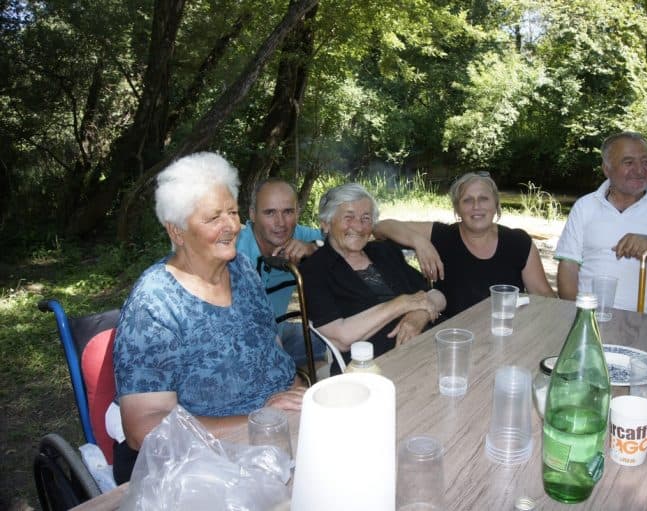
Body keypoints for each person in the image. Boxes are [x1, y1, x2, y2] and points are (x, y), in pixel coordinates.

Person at [112, 153, 305, 484]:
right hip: (211, 463)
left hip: (282, 435)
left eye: (232, 212)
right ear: (177, 231)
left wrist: (299, 394)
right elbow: (144, 428)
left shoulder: (242, 269)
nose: (231, 226)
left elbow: (272, 352)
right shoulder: (155, 304)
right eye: (214, 217)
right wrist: (258, 420)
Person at [300, 183, 446, 374]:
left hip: (430, 346)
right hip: (375, 366)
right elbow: (341, 337)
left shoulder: (384, 251)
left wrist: (420, 315)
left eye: (366, 218)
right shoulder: (315, 269)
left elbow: (437, 295)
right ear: (326, 223)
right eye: (349, 217)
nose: (359, 227)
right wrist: (401, 304)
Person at [373, 172, 556, 318]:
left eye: (484, 198)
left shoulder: (518, 242)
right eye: (467, 200)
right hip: (453, 336)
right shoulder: (442, 235)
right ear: (457, 209)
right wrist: (418, 241)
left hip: (506, 332)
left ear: (496, 205)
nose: (476, 206)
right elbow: (381, 227)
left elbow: (544, 297)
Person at [555, 132, 647, 317]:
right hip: (593, 316)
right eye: (628, 163)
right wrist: (579, 318)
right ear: (607, 168)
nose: (640, 170)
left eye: (646, 162)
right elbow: (568, 268)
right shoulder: (585, 206)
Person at [236, 178, 327, 367]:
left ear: (297, 212)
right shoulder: (233, 249)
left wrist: (314, 248)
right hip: (238, 346)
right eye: (270, 213)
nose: (281, 223)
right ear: (253, 214)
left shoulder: (300, 237)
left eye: (288, 212)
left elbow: (347, 240)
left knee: (322, 340)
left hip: (278, 332)